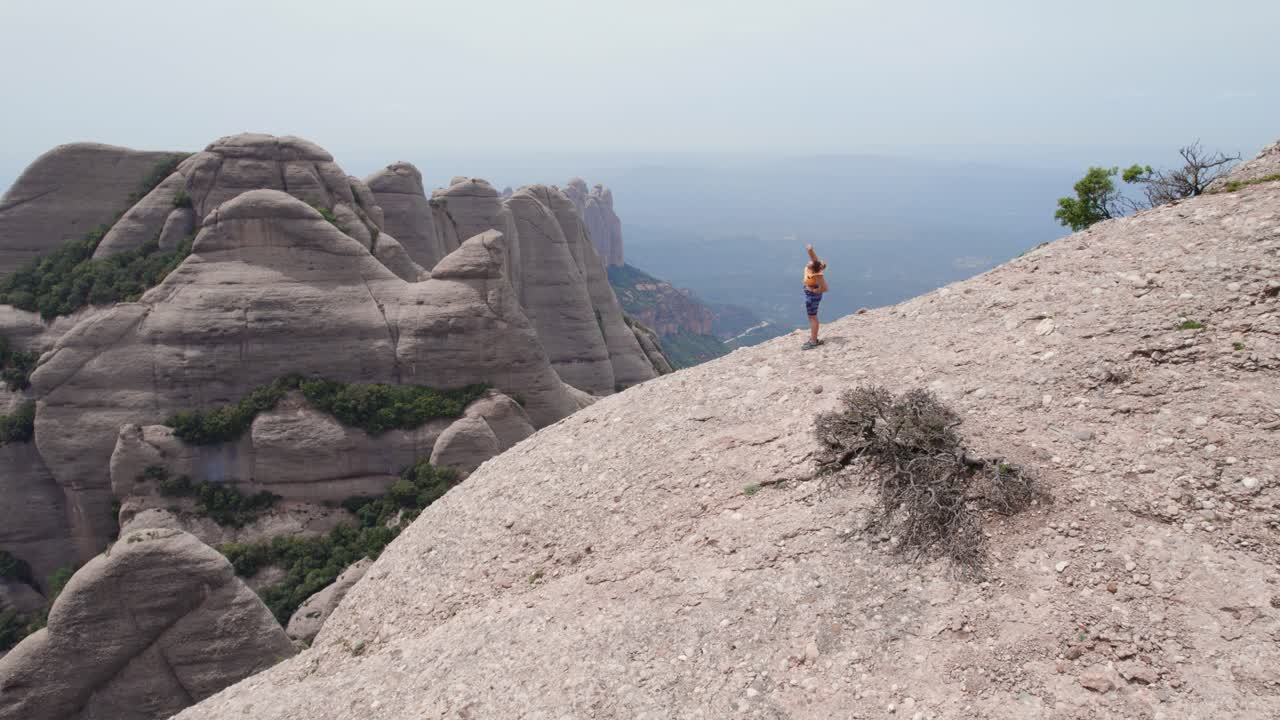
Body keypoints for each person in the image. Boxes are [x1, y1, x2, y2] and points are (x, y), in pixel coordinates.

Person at [802, 244, 829, 349]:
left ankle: (813, 341)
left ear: (813, 268)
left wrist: (813, 290)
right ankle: (813, 339)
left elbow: (825, 288)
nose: (809, 261)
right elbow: (813, 258)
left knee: (812, 317)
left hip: (812, 296)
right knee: (812, 317)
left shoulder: (816, 275)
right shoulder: (814, 267)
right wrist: (810, 249)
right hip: (810, 294)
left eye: (810, 263)